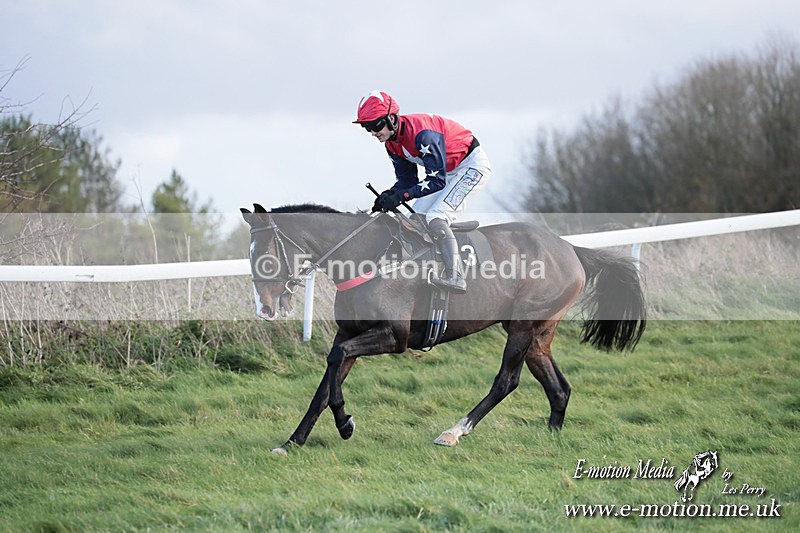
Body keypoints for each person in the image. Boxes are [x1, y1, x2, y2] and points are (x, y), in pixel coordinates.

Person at [353, 90, 492, 294]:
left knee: (436, 216)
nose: (373, 132)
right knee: (412, 219)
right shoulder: (392, 144)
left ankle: (455, 275)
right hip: (447, 172)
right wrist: (389, 196)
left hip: (471, 167)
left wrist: (402, 196)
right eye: (367, 128)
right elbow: (407, 181)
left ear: (391, 118)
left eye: (375, 125)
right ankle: (422, 270)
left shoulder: (423, 135)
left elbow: (436, 180)